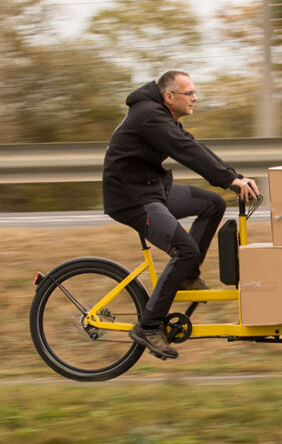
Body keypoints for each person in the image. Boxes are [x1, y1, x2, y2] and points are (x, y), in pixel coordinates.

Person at [102, 71, 259, 360]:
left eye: (194, 92)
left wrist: (234, 177)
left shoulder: (160, 114)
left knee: (212, 204)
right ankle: (148, 326)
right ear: (169, 97)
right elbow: (186, 151)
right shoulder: (150, 116)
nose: (195, 98)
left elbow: (193, 144)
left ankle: (186, 276)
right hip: (131, 198)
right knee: (185, 250)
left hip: (152, 189)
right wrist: (229, 181)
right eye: (189, 93)